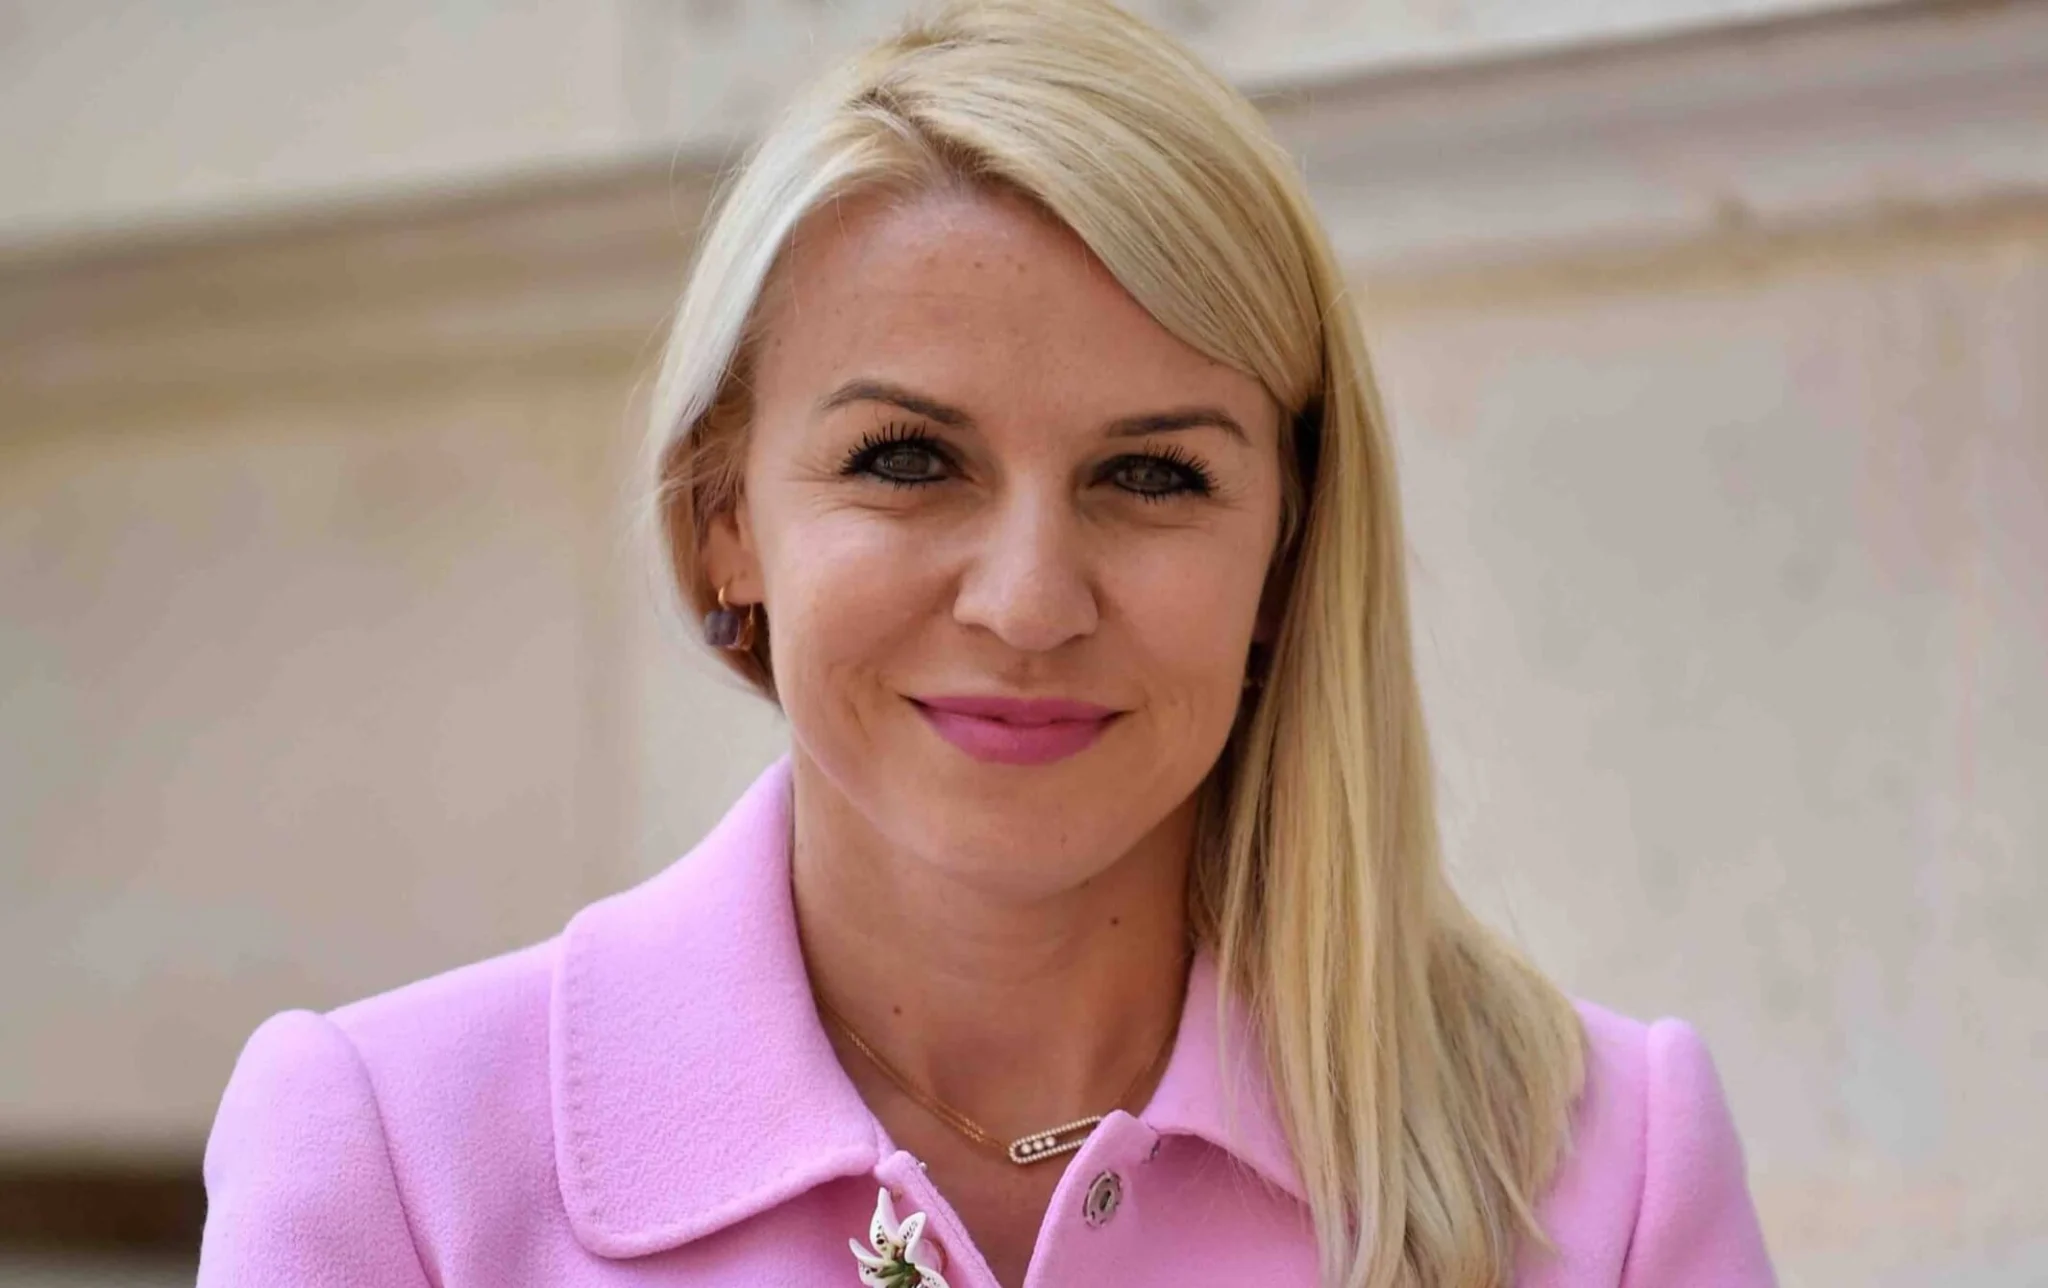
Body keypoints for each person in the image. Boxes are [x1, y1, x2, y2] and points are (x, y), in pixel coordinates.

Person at [196, 2, 1778, 1285]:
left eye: (1152, 476)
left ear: (1288, 553)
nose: (1030, 602)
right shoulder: (396, 1161)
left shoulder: (1604, 1168)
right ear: (724, 518)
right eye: (907, 459)